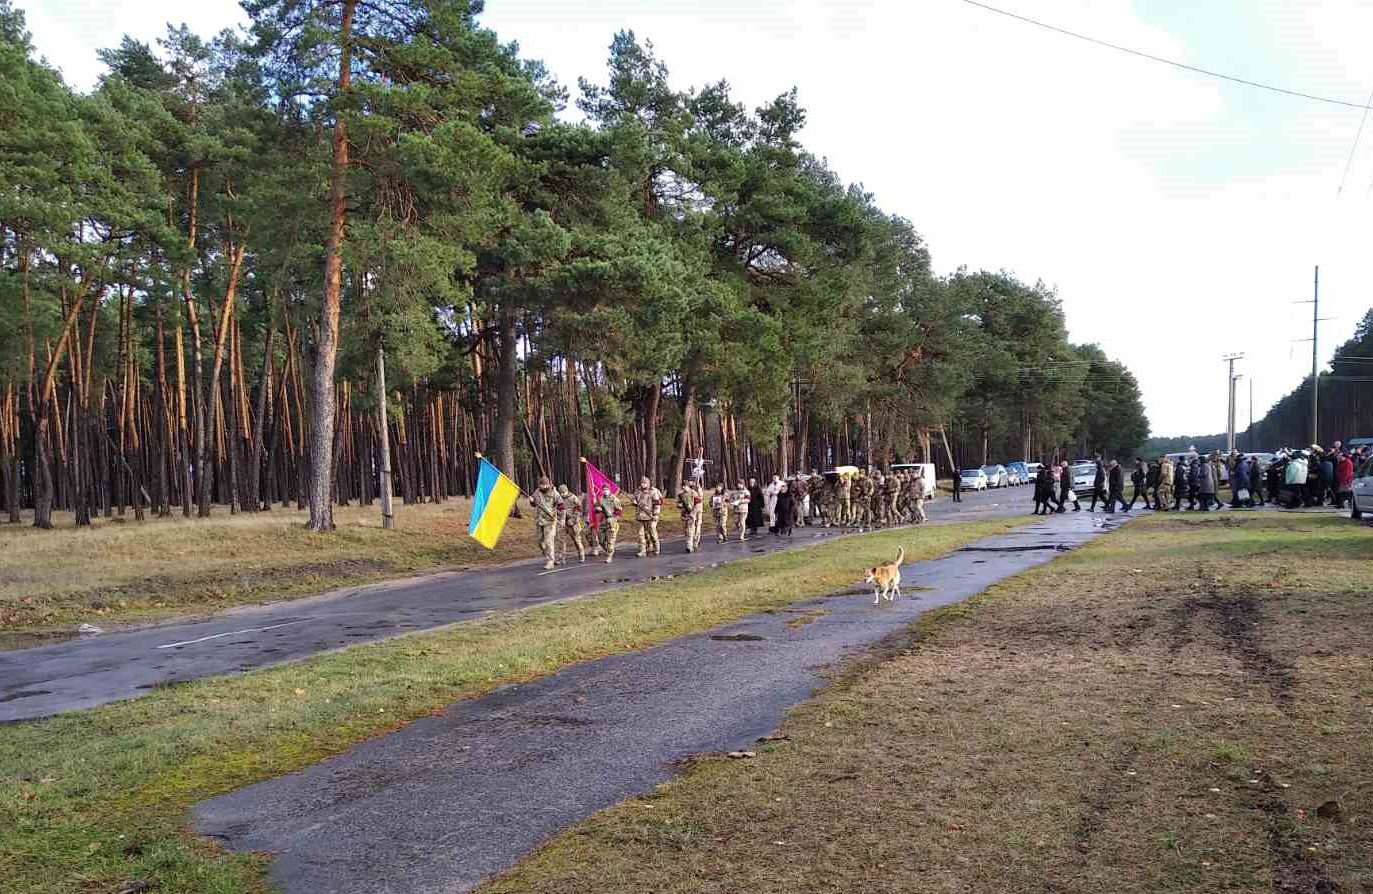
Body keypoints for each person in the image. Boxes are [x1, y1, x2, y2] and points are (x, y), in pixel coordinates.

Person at [530, 477, 561, 570]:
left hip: (550, 521)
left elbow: (561, 506)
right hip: (540, 520)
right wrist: (531, 501)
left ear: (548, 485)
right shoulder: (537, 492)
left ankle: (550, 561)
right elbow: (534, 504)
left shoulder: (554, 493)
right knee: (540, 542)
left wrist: (562, 519)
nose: (542, 487)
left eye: (544, 485)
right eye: (541, 485)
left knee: (548, 541)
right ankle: (548, 554)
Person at [633, 476, 663, 557]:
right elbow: (634, 499)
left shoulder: (653, 492)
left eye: (645, 483)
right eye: (642, 483)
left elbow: (657, 504)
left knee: (652, 532)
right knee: (641, 534)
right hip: (640, 516)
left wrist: (655, 514)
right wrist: (634, 502)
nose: (643, 484)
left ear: (648, 483)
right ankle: (642, 550)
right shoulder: (637, 492)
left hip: (650, 516)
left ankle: (656, 547)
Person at [556, 484, 586, 564]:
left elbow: (579, 510)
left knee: (576, 540)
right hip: (563, 522)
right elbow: (557, 509)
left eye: (563, 492)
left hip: (573, 523)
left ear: (567, 491)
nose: (562, 494)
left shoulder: (573, 498)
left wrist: (573, 520)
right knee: (561, 540)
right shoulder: (558, 499)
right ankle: (561, 558)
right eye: (561, 493)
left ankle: (581, 554)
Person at [593, 483, 622, 563]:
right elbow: (595, 508)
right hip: (603, 521)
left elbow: (619, 511)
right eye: (604, 489)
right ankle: (608, 550)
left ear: (609, 490)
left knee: (610, 540)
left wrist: (614, 519)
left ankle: (609, 555)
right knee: (600, 539)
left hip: (611, 521)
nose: (605, 491)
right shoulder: (601, 499)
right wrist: (597, 509)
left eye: (607, 489)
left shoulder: (614, 499)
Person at [677, 480, 703, 553]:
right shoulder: (681, 495)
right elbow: (678, 503)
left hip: (693, 514)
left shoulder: (694, 493)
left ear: (688, 486)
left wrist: (693, 513)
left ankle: (692, 545)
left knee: (693, 530)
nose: (683, 487)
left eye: (685, 486)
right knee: (687, 530)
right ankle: (691, 544)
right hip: (685, 514)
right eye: (682, 486)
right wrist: (680, 505)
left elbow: (698, 505)